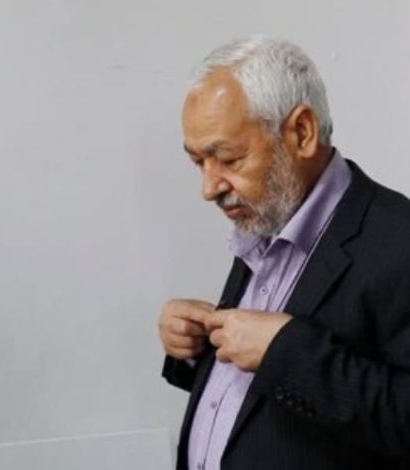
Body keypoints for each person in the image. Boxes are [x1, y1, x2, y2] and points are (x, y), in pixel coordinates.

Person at [159, 36, 410, 469]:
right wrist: (198, 350)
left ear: (302, 132)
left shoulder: (399, 239)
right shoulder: (268, 212)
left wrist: (289, 354)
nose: (209, 188)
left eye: (228, 159)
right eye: (199, 162)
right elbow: (265, 407)